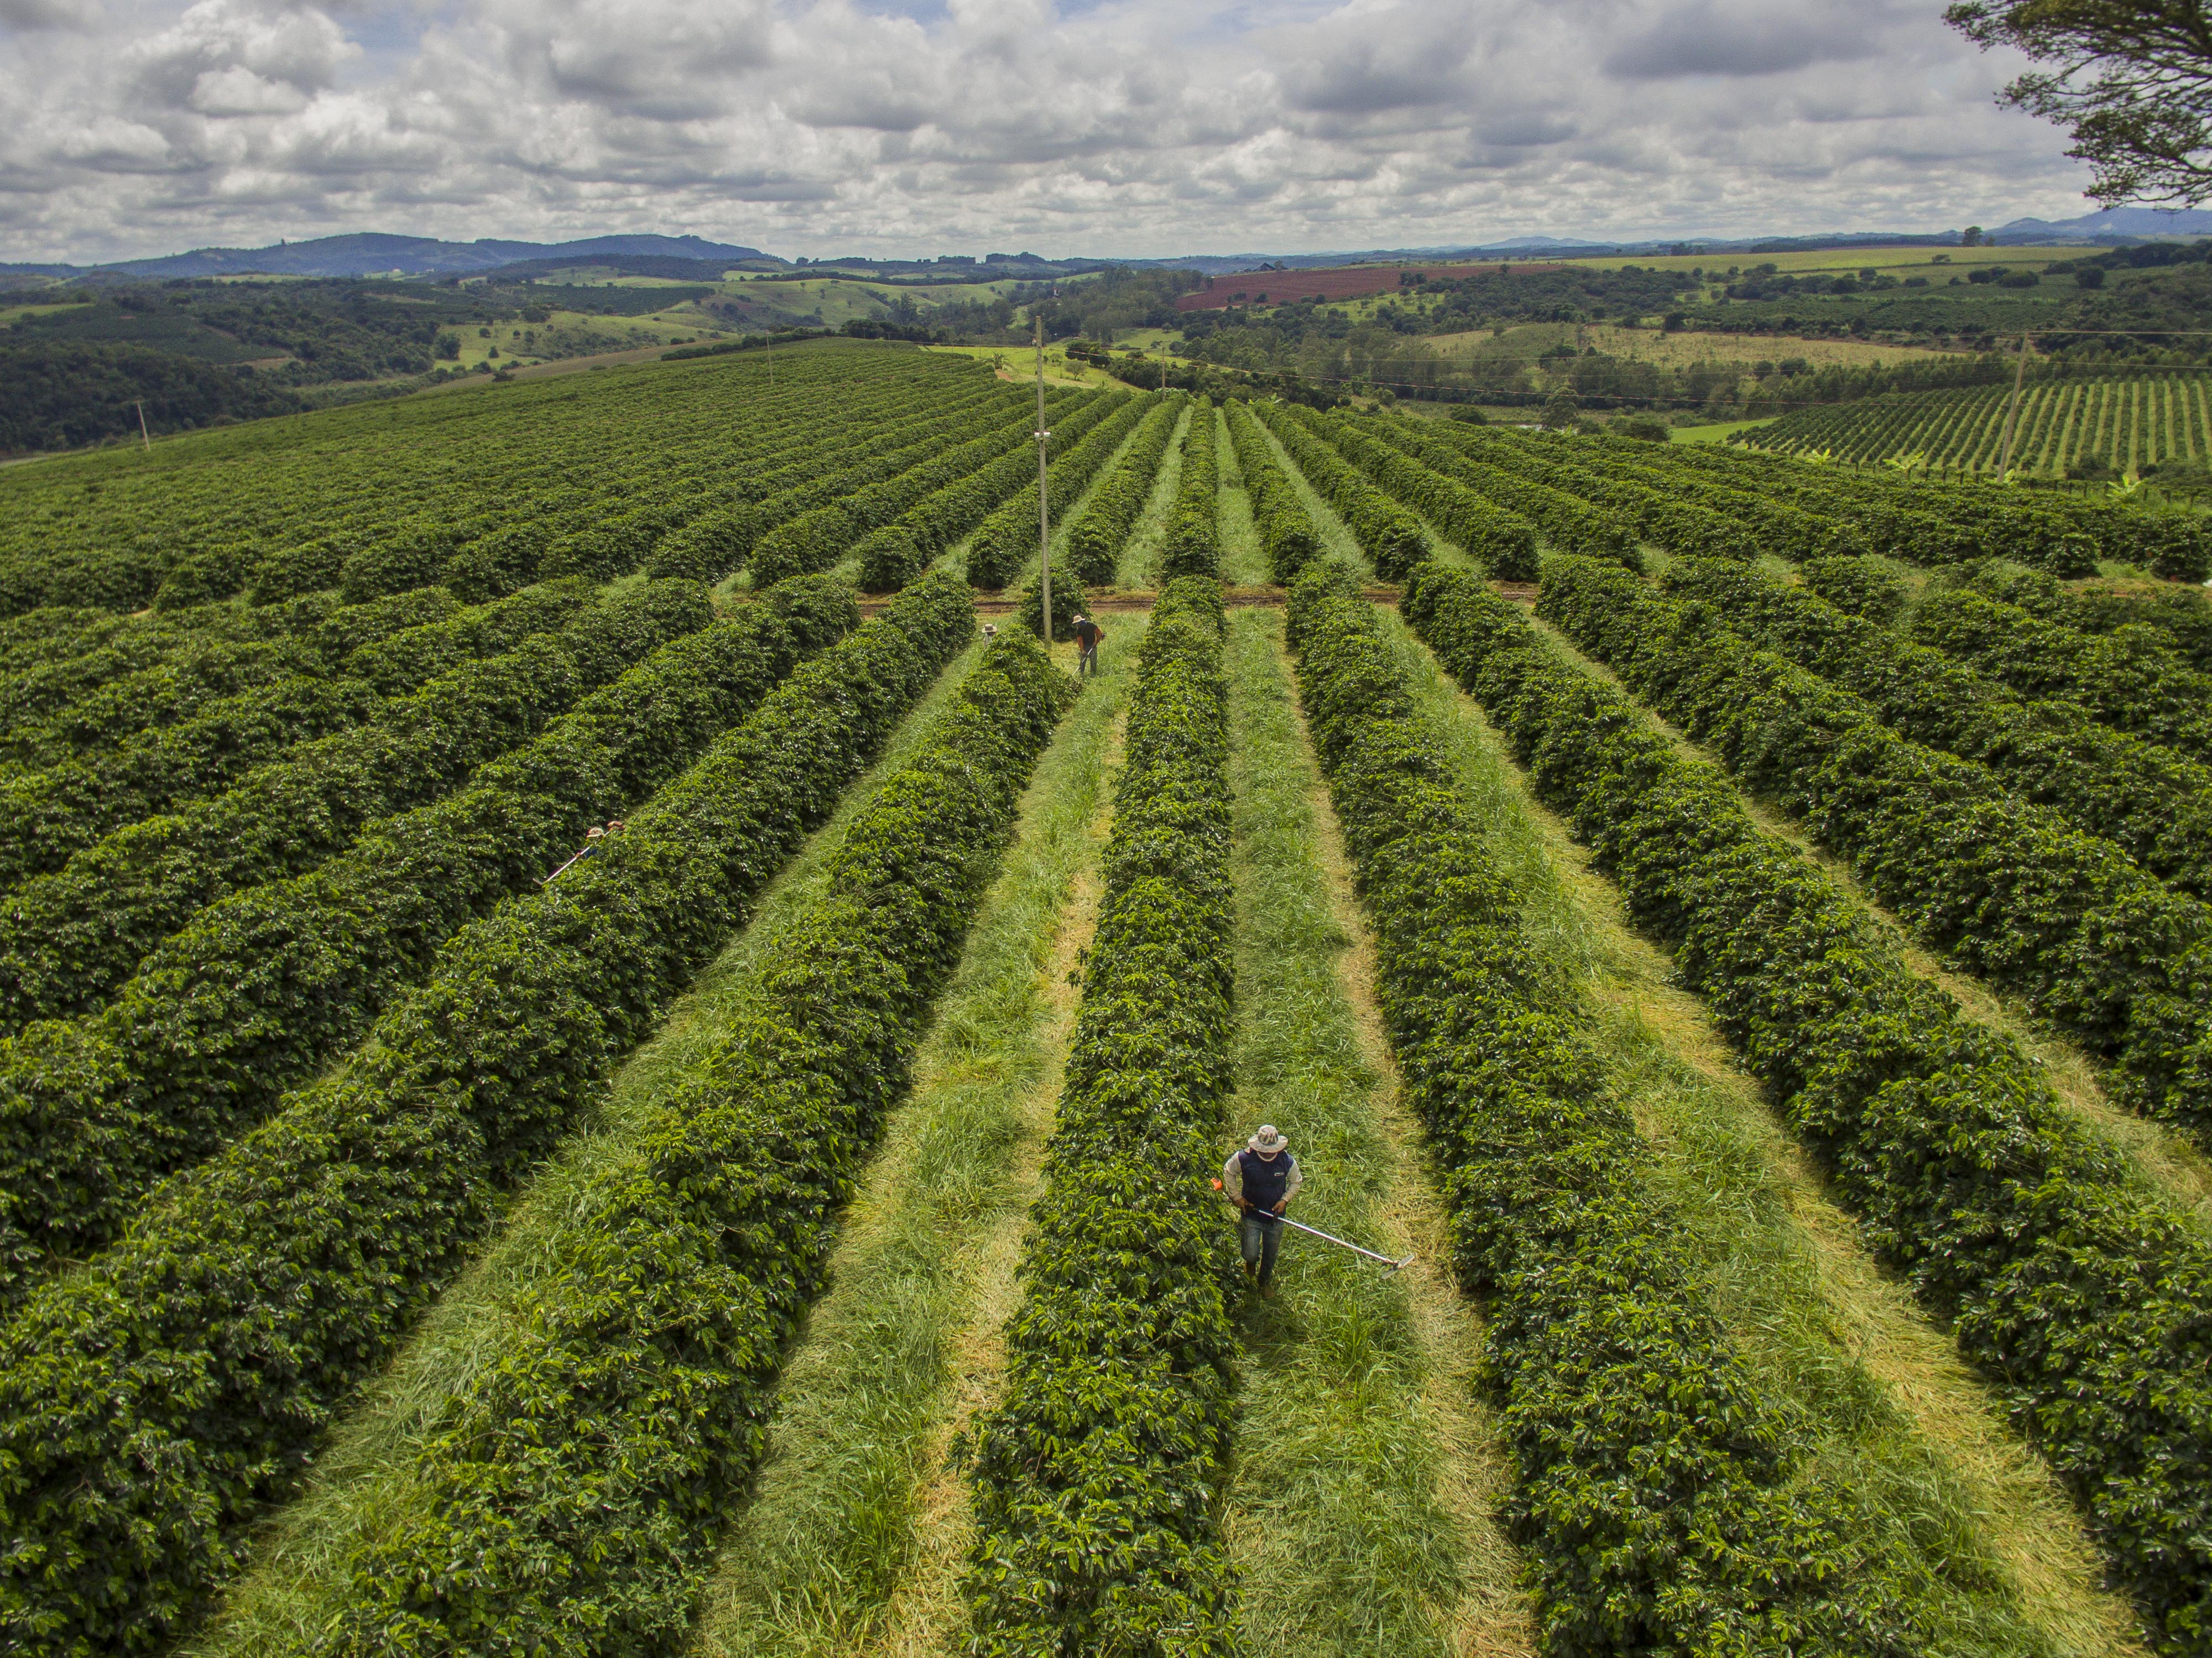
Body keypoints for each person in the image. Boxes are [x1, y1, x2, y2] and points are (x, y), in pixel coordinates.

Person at [1222, 1124, 1301, 1297]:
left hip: (1275, 1218)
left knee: (1270, 1255)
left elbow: (1296, 1181)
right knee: (1250, 1253)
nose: (1268, 1153)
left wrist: (1284, 1200)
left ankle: (1263, 1282)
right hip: (1252, 1215)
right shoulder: (1244, 1158)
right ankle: (1249, 1268)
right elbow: (1229, 1171)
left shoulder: (1286, 1161)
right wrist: (1237, 1197)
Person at [1073, 613, 1102, 679]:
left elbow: (1099, 633)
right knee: (1082, 662)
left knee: (1093, 661)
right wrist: (1082, 650)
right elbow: (1080, 641)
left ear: (1081, 622)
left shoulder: (1091, 625)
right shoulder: (1079, 630)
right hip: (1085, 646)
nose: (1076, 626)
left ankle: (1093, 676)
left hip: (1093, 645)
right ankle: (1081, 676)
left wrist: (1096, 642)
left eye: (1077, 624)